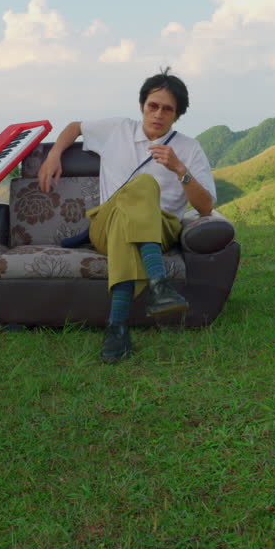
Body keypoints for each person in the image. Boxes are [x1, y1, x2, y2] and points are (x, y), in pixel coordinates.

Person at [37, 68, 217, 363]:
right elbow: (74, 127)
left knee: (134, 209)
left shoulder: (189, 149)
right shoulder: (117, 129)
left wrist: (179, 169)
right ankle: (158, 284)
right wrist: (54, 155)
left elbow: (206, 208)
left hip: (162, 227)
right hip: (104, 226)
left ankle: (117, 326)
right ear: (142, 106)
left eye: (167, 109)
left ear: (177, 115)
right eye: (153, 106)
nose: (158, 115)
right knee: (142, 186)